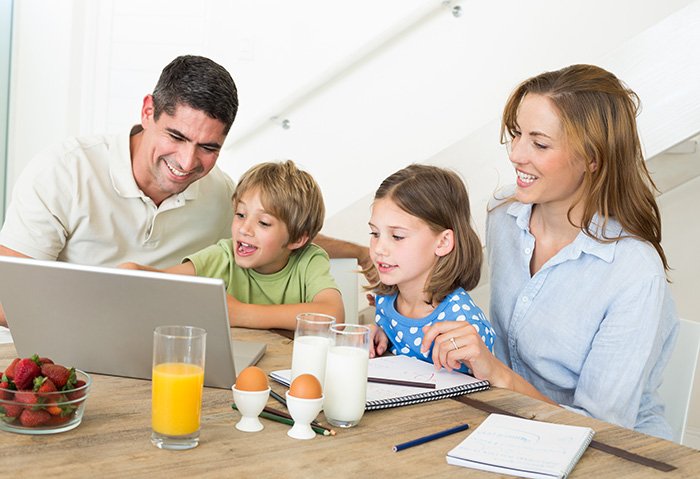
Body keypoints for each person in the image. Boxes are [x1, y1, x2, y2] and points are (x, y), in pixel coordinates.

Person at [422, 64, 678, 439]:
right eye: (516, 135)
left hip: (609, 451)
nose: (516, 155)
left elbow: (602, 427)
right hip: (509, 421)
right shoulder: (504, 216)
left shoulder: (634, 272)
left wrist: (496, 372)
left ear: (594, 159)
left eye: (540, 144)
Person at [121, 160, 344, 330]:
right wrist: (136, 271)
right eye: (240, 214)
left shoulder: (309, 261)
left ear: (297, 239)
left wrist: (241, 314)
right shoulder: (223, 255)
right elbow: (167, 281)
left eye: (263, 222)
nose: (244, 229)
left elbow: (332, 313)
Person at [367, 164, 495, 373]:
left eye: (397, 236)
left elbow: (488, 393)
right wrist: (379, 336)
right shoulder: (386, 300)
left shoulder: (463, 322)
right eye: (374, 234)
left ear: (443, 242)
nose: (379, 248)